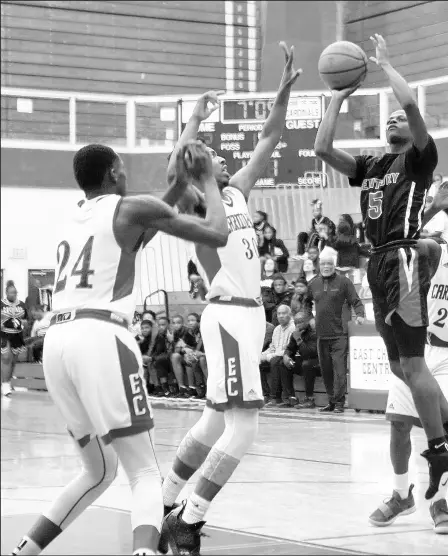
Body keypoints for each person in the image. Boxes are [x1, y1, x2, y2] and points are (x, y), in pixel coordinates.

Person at [11, 140, 228, 556]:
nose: (126, 174)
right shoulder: (131, 207)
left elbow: (136, 232)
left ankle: (26, 551)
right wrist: (203, 180)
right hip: (101, 337)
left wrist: (176, 184)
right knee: (144, 471)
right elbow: (216, 234)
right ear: (113, 173)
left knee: (98, 470)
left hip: (56, 344)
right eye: (123, 167)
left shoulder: (75, 216)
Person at [159, 42, 302, 555]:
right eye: (216, 157)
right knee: (245, 429)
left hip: (250, 315)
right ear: (203, 171)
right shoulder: (196, 205)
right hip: (228, 316)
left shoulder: (239, 190)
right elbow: (179, 164)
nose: (226, 160)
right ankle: (189, 516)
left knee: (214, 420)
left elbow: (270, 135)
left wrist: (284, 92)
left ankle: (167, 498)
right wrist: (195, 118)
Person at [314, 33, 448, 499]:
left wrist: (385, 65)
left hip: (403, 257)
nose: (394, 119)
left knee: (414, 363)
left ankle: (443, 445)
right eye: (389, 119)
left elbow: (412, 106)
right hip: (376, 263)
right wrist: (338, 98)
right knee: (399, 367)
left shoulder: (420, 159)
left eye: (400, 117)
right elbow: (323, 149)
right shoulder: (372, 164)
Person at [370, 201, 448, 534]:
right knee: (399, 425)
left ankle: (439, 503)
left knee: (443, 433)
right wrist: (436, 207)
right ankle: (401, 495)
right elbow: (402, 238)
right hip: (419, 349)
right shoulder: (434, 251)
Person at [308, 248, 365, 413]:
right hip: (321, 335)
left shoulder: (344, 282)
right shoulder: (313, 283)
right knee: (326, 371)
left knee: (339, 370)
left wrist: (360, 315)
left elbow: (356, 300)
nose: (326, 266)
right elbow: (304, 303)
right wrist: (307, 318)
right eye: (323, 263)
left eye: (329, 264)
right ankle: (331, 401)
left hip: (339, 334)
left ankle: (340, 402)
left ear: (335, 265)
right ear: (319, 265)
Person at [262, 305, 296, 407]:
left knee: (276, 361)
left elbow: (288, 350)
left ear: (289, 315)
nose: (281, 316)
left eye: (284, 313)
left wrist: (270, 356)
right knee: (259, 364)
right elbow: (272, 347)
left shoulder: (293, 328)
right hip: (276, 356)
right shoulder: (277, 329)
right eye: (279, 314)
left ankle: (277, 397)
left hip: (290, 357)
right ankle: (266, 394)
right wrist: (262, 355)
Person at [283, 312, 319, 409]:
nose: (297, 324)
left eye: (300, 322)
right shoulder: (296, 333)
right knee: (283, 363)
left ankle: (309, 399)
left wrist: (298, 339)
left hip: (318, 364)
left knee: (307, 364)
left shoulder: (313, 332)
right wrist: (286, 356)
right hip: (305, 362)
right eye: (296, 322)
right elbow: (290, 348)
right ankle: (291, 397)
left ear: (307, 321)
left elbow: (309, 353)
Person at [1, 280, 28, 397]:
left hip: (17, 335)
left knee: (12, 362)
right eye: (11, 293)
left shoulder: (22, 304)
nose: (13, 295)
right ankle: (5, 384)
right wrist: (6, 323)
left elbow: (27, 321)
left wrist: (20, 323)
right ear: (6, 293)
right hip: (4, 334)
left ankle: (8, 382)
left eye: (15, 293)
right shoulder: (1, 304)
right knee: (6, 358)